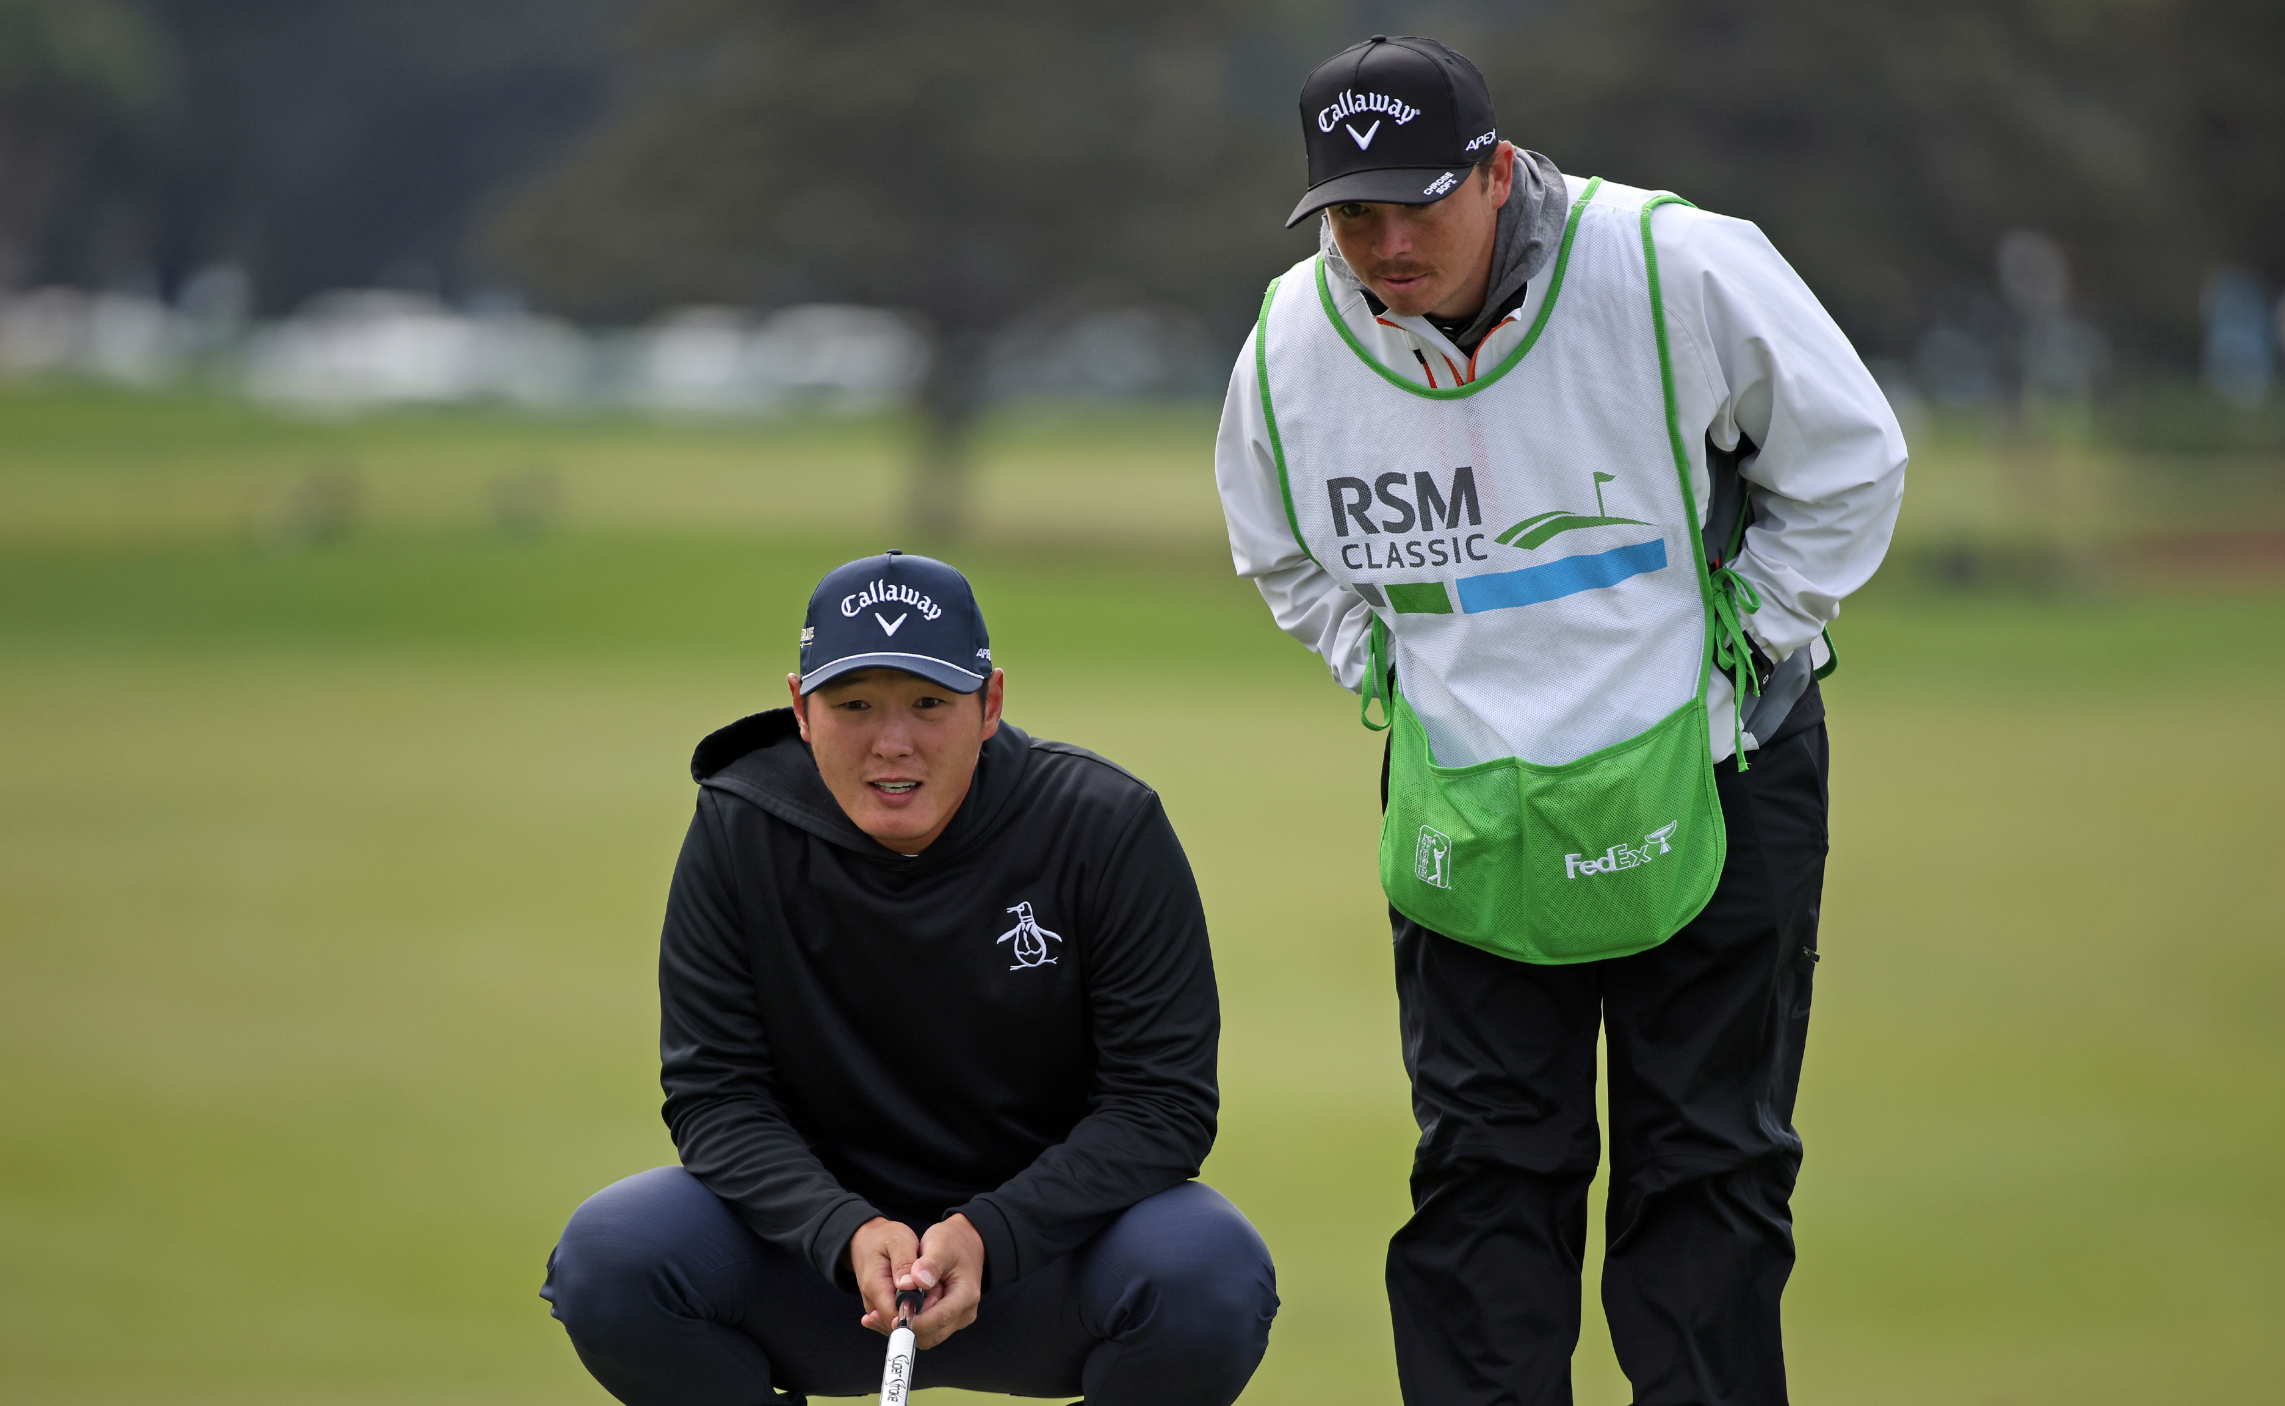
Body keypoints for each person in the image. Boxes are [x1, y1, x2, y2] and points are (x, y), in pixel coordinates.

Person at [1212, 34, 1906, 1406]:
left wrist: (1743, 643)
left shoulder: (1673, 265)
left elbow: (1851, 462)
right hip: (1468, 794)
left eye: (1420, 201)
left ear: (1499, 169)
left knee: (1708, 1166)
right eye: (1355, 212)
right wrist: (1392, 673)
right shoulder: (1295, 338)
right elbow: (1279, 546)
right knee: (1481, 1174)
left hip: (1720, 769)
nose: (1388, 242)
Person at [540, 550, 1277, 1406]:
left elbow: (1163, 1107)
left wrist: (991, 1233)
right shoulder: (740, 828)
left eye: (930, 703)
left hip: (1045, 1266)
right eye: (854, 706)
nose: (895, 744)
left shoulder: (1104, 826)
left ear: (990, 703)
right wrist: (842, 1229)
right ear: (801, 711)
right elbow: (716, 1096)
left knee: (1207, 1270)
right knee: (613, 1255)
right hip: (820, 1273)